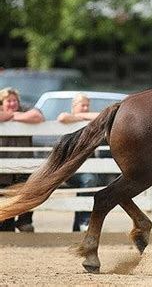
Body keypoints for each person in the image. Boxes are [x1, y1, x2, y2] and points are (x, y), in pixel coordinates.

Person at [0, 87, 44, 232]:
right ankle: (7, 226)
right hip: (3, 167)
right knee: (5, 197)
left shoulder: (24, 109)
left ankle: (24, 222)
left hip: (24, 164)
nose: (12, 104)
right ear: (2, 103)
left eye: (14, 101)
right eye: (8, 101)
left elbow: (38, 116)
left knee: (29, 191)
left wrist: (12, 116)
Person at [57, 93, 100, 232]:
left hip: (86, 168)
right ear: (74, 107)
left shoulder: (88, 121)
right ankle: (84, 221)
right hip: (69, 169)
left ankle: (79, 226)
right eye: (83, 105)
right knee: (89, 179)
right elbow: (62, 117)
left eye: (87, 105)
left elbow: (100, 116)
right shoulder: (69, 119)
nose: (86, 108)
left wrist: (81, 116)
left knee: (88, 180)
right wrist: (81, 118)